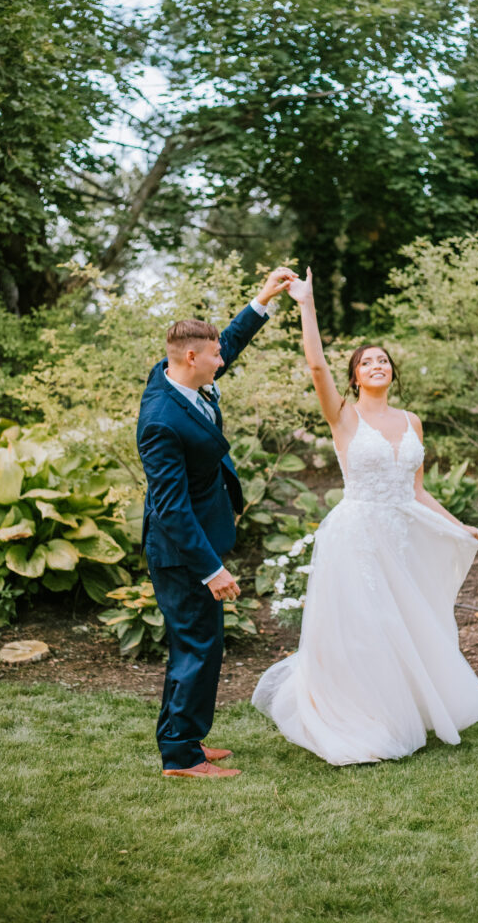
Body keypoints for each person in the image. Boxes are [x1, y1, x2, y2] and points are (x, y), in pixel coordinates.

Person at [252, 268, 478, 765]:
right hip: (356, 536)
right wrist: (306, 304)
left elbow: (417, 490)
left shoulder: (411, 422)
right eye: (367, 362)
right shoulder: (343, 415)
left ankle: (401, 710)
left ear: (392, 373)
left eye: (383, 360)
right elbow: (317, 366)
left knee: (400, 625)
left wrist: (457, 525)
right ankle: (361, 719)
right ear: (356, 376)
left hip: (400, 536)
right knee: (363, 629)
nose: (377, 364)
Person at [137, 267, 297, 779]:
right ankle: (181, 757)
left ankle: (186, 739)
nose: (221, 360)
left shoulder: (178, 375)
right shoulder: (161, 420)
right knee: (197, 646)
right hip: (182, 550)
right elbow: (170, 508)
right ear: (191, 358)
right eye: (213, 357)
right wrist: (211, 570)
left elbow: (223, 341)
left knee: (200, 644)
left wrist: (263, 300)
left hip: (198, 534)